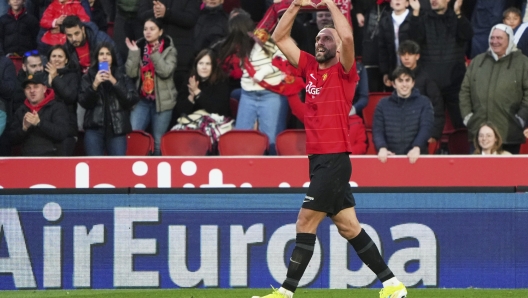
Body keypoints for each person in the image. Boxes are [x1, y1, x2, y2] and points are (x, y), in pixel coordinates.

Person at [267, 0, 407, 297]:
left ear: (338, 48)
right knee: (349, 227)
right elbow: (279, 38)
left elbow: (347, 38)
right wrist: (295, 5)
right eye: (318, 38)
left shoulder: (346, 72)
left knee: (305, 222)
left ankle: (285, 292)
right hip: (320, 159)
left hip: (333, 158)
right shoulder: (309, 68)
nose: (320, 41)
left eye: (326, 38)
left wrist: (330, 3)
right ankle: (393, 285)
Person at [459, 24, 528, 154]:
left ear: (509, 40)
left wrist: (521, 118)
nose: (495, 41)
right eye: (492, 37)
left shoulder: (523, 63)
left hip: (509, 135)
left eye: (499, 38)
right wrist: (468, 117)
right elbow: (465, 91)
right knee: (477, 174)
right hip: (479, 136)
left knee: (507, 174)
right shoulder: (478, 61)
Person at [408, 0, 473, 130]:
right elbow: (413, 40)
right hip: (430, 84)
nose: (433, 0)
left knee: (461, 127)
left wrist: (458, 13)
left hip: (455, 82)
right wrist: (415, 13)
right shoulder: (422, 18)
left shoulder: (457, 18)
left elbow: (468, 34)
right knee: (428, 127)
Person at [125, 18, 177, 155]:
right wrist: (134, 53)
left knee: (159, 141)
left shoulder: (169, 49)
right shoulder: (139, 46)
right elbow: (130, 73)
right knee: (134, 135)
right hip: (142, 100)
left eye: (152, 29)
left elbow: (165, 72)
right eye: (145, 29)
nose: (148, 32)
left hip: (162, 102)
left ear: (160, 32)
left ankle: (156, 172)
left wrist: (155, 55)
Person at [235, 28, 289, 155]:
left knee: (272, 140)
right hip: (247, 93)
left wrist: (262, 73)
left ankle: (273, 172)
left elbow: (283, 60)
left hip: (271, 93)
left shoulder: (273, 42)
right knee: (241, 137)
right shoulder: (246, 44)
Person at [78, 43, 139, 156]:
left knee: (117, 168)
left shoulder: (122, 76)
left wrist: (114, 81)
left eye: (108, 54)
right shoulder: (88, 77)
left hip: (117, 130)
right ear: (97, 57)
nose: (105, 57)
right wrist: (94, 85)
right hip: (94, 130)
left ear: (113, 57)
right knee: (94, 167)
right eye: (101, 54)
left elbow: (131, 99)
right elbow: (83, 102)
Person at [138, 0, 202, 92]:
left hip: (181, 57)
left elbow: (191, 19)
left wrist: (167, 13)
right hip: (152, 55)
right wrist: (157, 10)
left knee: (179, 94)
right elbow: (141, 16)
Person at [373, 66, 434, 163]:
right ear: (393, 84)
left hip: (418, 159)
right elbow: (378, 130)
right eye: (400, 80)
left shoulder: (424, 102)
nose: (404, 84)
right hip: (390, 160)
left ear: (413, 83)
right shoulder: (382, 105)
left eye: (407, 80)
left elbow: (426, 127)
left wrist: (417, 147)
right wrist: (382, 147)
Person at [9, 71, 73, 156]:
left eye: (36, 87)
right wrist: (24, 129)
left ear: (44, 89)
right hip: (27, 160)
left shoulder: (57, 107)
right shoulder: (21, 110)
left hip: (52, 158)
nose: (32, 91)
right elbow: (11, 139)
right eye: (28, 88)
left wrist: (39, 123)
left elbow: (62, 133)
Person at [398, 40, 444, 143]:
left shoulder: (427, 78)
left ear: (417, 56)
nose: (406, 58)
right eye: (403, 54)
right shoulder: (397, 77)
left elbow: (437, 106)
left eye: (410, 54)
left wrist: (434, 134)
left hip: (423, 132)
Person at [45, 44, 80, 155]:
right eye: (53, 56)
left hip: (66, 129)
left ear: (66, 60)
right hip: (45, 128)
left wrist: (55, 78)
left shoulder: (73, 76)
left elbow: (70, 97)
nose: (56, 59)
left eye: (60, 56)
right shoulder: (42, 75)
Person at [178, 49, 230, 117]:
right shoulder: (190, 80)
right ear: (196, 65)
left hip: (217, 122)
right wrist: (191, 97)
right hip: (193, 122)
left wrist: (197, 91)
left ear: (213, 66)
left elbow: (216, 109)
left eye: (208, 64)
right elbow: (181, 111)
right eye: (201, 63)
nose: (204, 67)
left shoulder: (221, 81)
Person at [378, 0, 411, 88]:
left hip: (411, 68)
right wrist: (385, 72)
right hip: (393, 68)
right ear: (390, 3)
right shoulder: (385, 21)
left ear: (407, 3)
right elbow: (382, 49)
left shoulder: (414, 19)